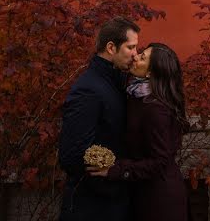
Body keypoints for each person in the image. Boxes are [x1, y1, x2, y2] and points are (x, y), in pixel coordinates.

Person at [89, 42, 189, 221]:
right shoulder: (137, 95)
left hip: (159, 202)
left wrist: (115, 170)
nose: (135, 56)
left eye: (142, 57)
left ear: (151, 73)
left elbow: (159, 162)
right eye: (140, 52)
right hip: (144, 193)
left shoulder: (155, 109)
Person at [58, 17, 140, 221]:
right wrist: (109, 172)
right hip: (93, 207)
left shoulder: (116, 82)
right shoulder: (89, 89)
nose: (135, 54)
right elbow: (71, 155)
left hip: (114, 202)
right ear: (111, 47)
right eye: (130, 47)